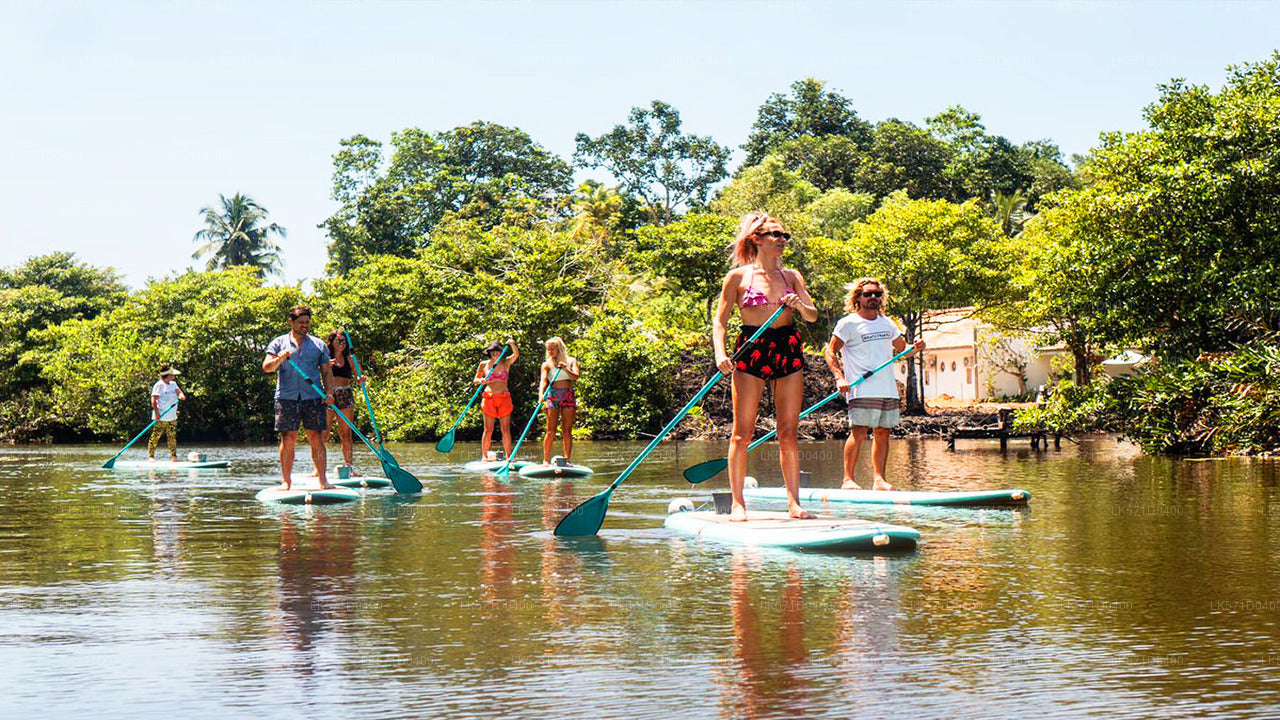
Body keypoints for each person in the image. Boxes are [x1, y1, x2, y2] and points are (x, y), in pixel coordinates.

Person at [712, 210, 820, 521]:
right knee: (741, 434)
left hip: (787, 346)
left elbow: (812, 315)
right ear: (756, 240)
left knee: (788, 432)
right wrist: (720, 354)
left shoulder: (792, 276)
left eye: (785, 235)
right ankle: (738, 503)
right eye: (776, 235)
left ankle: (794, 503)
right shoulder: (738, 277)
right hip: (752, 348)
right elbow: (720, 322)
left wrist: (800, 305)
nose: (782, 240)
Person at [825, 278, 924, 491]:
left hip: (887, 389)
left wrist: (916, 347)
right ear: (858, 298)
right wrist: (840, 377)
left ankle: (879, 480)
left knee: (882, 432)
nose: (873, 298)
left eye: (877, 294)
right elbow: (830, 351)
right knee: (859, 431)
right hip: (861, 388)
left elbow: (904, 350)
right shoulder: (848, 323)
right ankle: (848, 480)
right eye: (868, 294)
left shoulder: (887, 323)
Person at [262, 306, 336, 490]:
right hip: (286, 397)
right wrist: (279, 359)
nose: (305, 326)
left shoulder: (319, 345)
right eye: (301, 322)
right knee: (288, 438)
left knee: (316, 437)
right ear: (291, 322)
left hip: (313, 397)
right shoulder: (278, 343)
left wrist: (329, 393)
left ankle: (323, 481)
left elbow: (327, 372)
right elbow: (267, 367)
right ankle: (286, 482)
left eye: (307, 322)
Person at [322, 329, 365, 475]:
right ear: (332, 342)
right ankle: (318, 469)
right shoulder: (325, 357)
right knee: (324, 433)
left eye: (344, 341)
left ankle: (349, 467)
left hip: (345, 394)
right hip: (328, 395)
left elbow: (359, 375)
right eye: (338, 341)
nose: (341, 344)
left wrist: (361, 379)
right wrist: (326, 365)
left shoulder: (350, 358)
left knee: (346, 433)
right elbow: (314, 372)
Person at [539, 337, 580, 464]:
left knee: (567, 430)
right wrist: (541, 395)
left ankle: (567, 459)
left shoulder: (571, 361)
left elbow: (575, 377)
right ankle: (546, 460)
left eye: (552, 349)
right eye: (548, 349)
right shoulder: (546, 364)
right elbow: (543, 381)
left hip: (568, 396)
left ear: (559, 348)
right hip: (553, 396)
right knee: (550, 430)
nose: (550, 351)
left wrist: (565, 369)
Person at [476, 339, 518, 461]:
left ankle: (509, 456)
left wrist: (512, 344)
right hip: (489, 398)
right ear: (489, 353)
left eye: (497, 351)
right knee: (488, 429)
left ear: (501, 352)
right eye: (492, 351)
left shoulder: (506, 362)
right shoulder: (483, 364)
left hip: (504, 397)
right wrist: (481, 380)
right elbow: (476, 379)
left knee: (505, 429)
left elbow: (515, 355)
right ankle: (484, 456)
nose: (495, 353)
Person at [148, 363, 187, 462]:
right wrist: (157, 413)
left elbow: (179, 392)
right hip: (160, 416)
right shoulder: (159, 385)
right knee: (155, 436)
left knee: (172, 437)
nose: (174, 376)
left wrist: (181, 396)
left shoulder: (173, 384)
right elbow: (153, 400)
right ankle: (151, 456)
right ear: (167, 375)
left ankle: (174, 457)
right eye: (172, 374)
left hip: (172, 416)